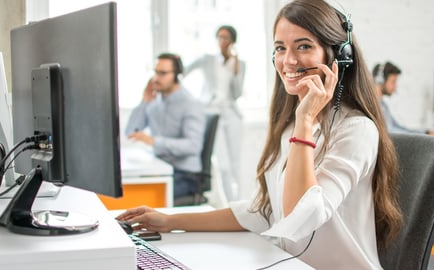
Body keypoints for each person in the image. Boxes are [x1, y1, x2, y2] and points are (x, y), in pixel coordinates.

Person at [118, 1, 403, 269]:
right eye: (280, 48)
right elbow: (265, 211)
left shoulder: (356, 130)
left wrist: (305, 120)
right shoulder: (292, 126)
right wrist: (170, 221)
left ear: (340, 57)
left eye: (303, 46)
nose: (288, 61)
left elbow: (298, 217)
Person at [125, 53, 206, 202]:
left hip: (185, 175)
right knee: (126, 190)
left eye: (162, 73)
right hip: (159, 169)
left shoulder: (190, 104)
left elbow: (194, 146)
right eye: (155, 72)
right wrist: (144, 101)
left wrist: (154, 141)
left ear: (177, 75)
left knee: (140, 198)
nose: (156, 78)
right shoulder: (155, 102)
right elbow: (131, 132)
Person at [184, 25, 246, 201]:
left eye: (225, 38)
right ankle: (229, 204)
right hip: (212, 113)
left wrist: (235, 71)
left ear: (232, 41)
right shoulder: (207, 60)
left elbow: (237, 93)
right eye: (219, 37)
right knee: (223, 165)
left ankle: (239, 202)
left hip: (231, 113)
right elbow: (183, 71)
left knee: (235, 163)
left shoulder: (239, 64)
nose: (222, 41)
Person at [372, 61, 434, 138]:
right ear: (380, 80)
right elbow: (391, 132)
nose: (395, 87)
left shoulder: (383, 104)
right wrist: (429, 136)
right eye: (393, 82)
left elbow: (399, 128)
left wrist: (428, 132)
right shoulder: (374, 105)